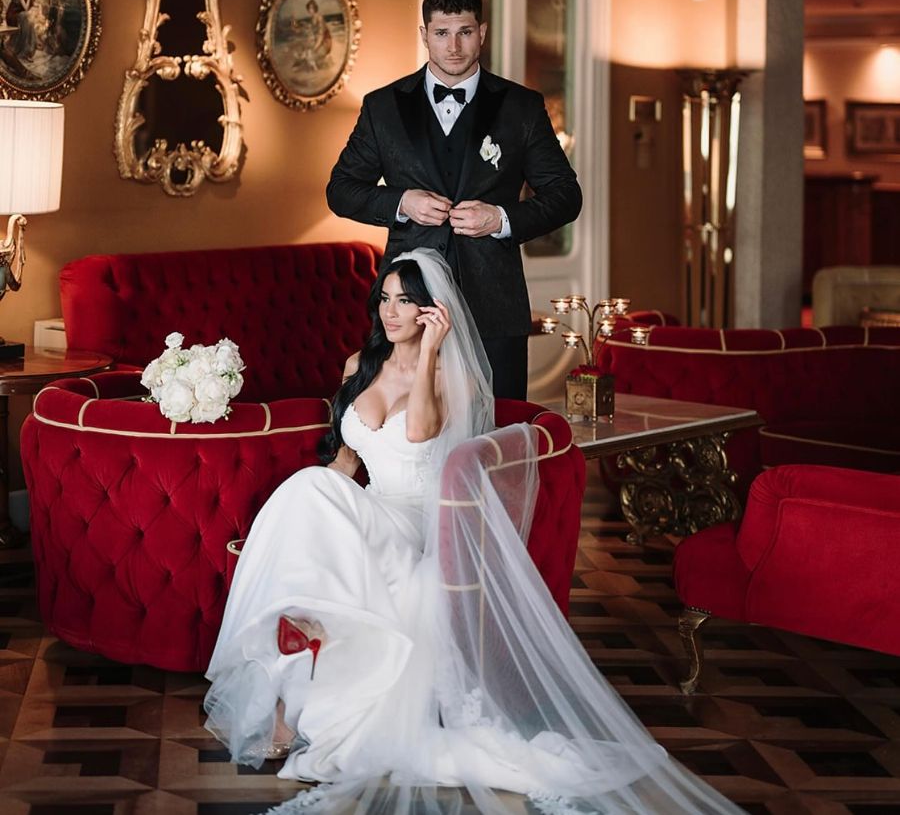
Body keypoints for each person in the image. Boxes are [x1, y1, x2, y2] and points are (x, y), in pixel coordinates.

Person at [204, 248, 745, 815]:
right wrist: (297, 514)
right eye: (385, 299)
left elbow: (418, 433)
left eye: (406, 302)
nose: (390, 312)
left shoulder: (447, 373)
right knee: (310, 489)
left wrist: (432, 349)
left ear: (432, 312)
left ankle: (298, 680)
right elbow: (343, 465)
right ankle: (299, 659)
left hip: (417, 522)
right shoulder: (356, 366)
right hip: (368, 508)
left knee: (311, 496)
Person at [326, 0, 582, 401]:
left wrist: (500, 218)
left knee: (497, 436)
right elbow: (340, 190)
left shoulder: (522, 107)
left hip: (494, 307)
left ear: (481, 33)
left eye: (465, 32)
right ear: (424, 35)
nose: (454, 47)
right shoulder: (382, 107)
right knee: (407, 426)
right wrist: (401, 202)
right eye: (442, 33)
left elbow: (565, 195)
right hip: (407, 306)